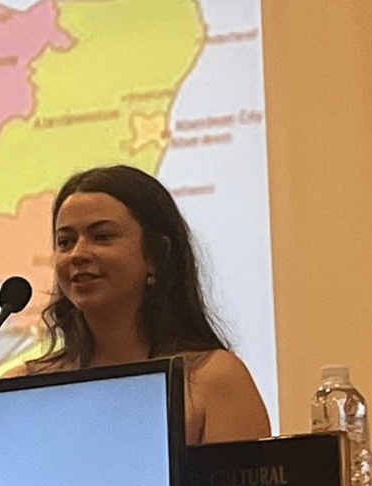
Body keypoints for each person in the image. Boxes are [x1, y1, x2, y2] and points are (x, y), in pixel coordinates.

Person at [15, 164, 271, 445]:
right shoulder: (20, 387)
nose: (77, 254)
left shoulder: (213, 379)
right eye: (65, 241)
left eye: (102, 237)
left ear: (156, 255)